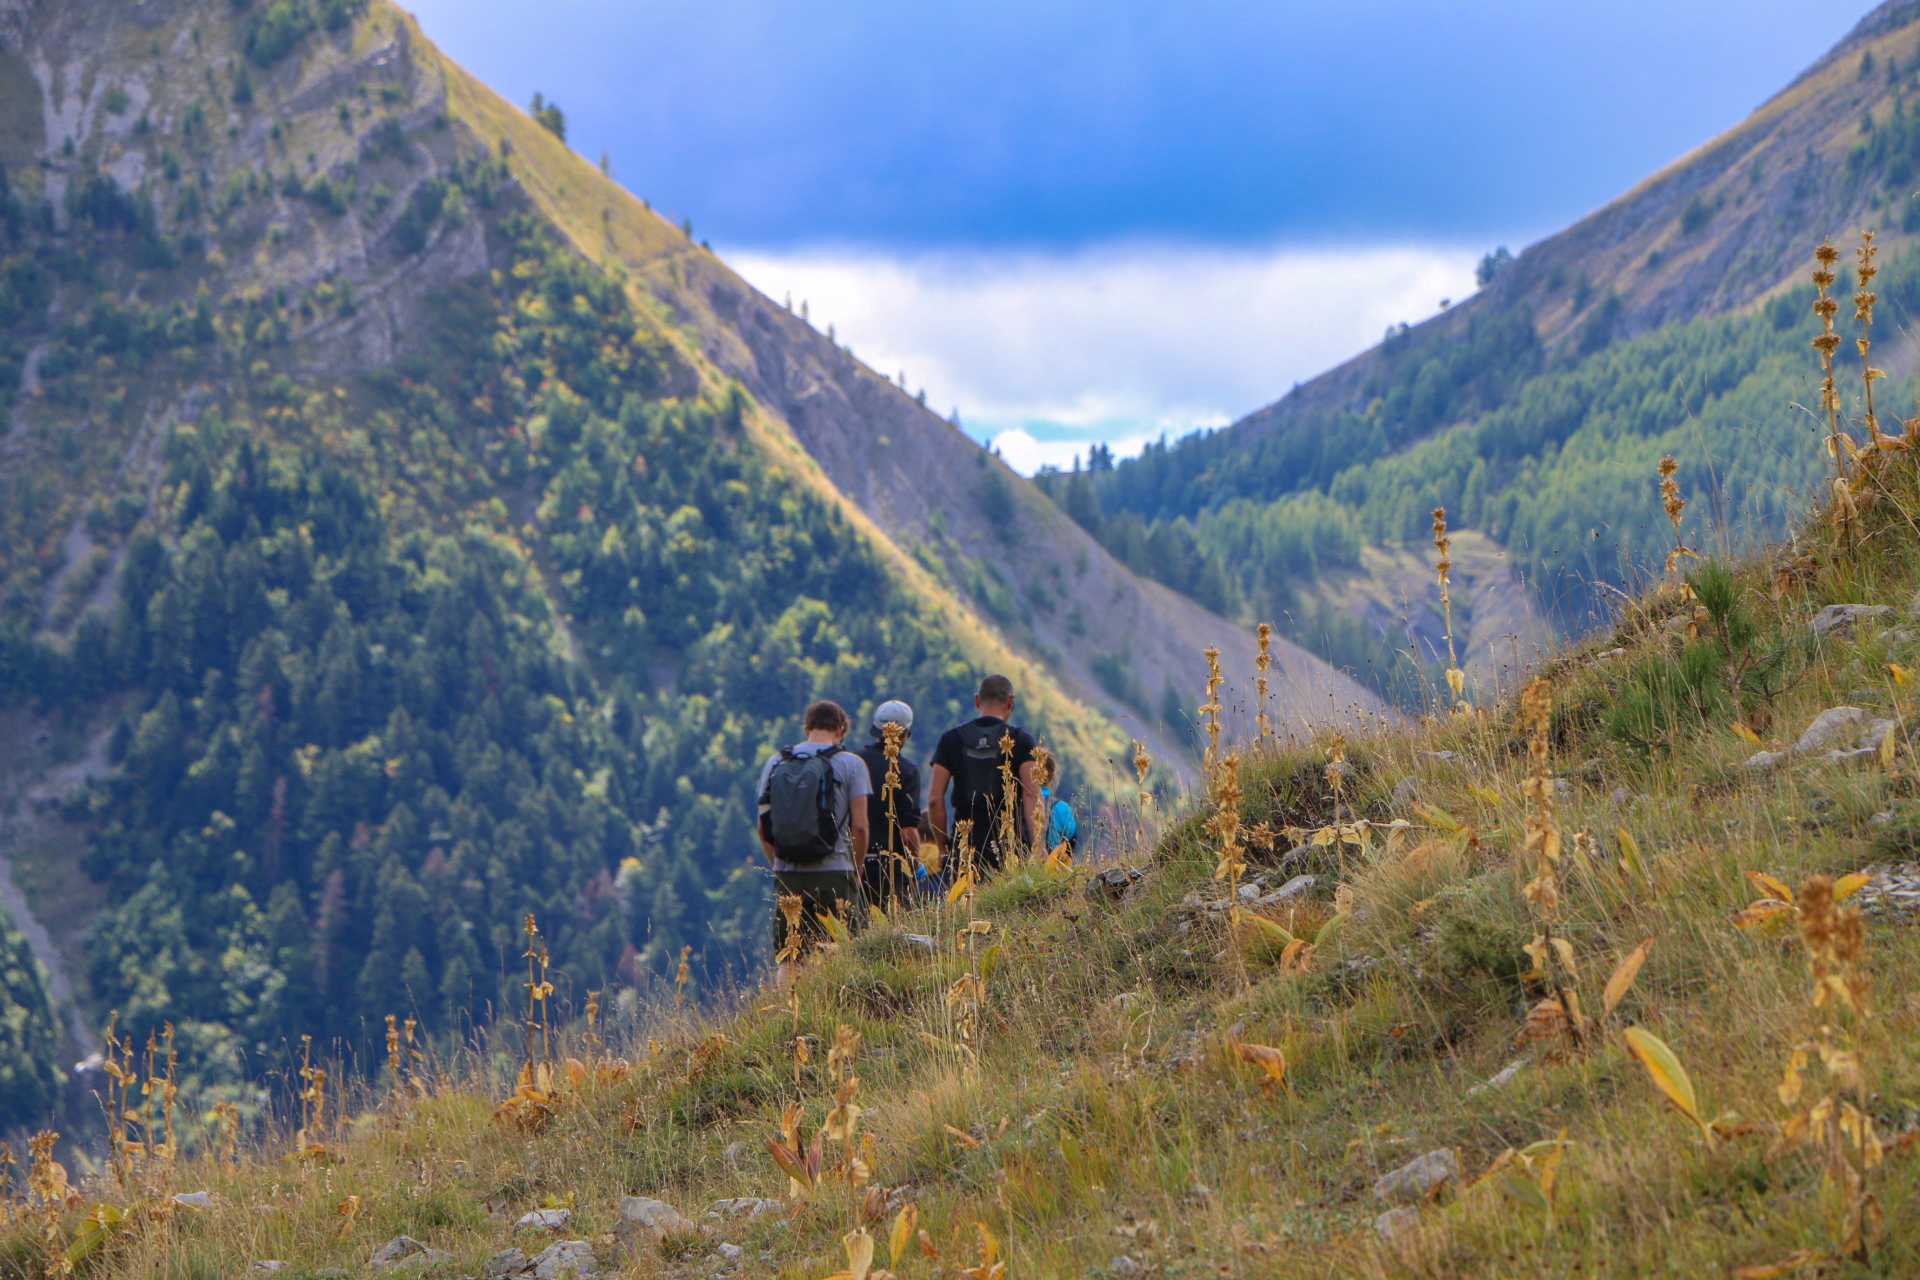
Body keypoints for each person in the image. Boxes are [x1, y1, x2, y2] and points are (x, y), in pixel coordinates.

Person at [753, 700, 870, 983]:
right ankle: (835, 1017)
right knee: (841, 950)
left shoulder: (776, 762)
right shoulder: (851, 764)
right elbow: (861, 826)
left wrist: (779, 865)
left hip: (789, 872)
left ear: (807, 728)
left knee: (790, 957)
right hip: (836, 872)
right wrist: (856, 869)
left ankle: (788, 1019)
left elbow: (762, 826)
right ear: (841, 729)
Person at [927, 674, 1041, 875]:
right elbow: (1031, 795)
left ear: (977, 700)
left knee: (964, 904)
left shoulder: (951, 739)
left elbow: (935, 799)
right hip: (1011, 847)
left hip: (965, 846)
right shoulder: (1021, 740)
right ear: (1010, 702)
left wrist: (943, 847)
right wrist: (1038, 846)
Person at [852, 700, 924, 910]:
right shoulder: (907, 770)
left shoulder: (852, 762)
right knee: (893, 938)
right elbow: (907, 832)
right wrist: (916, 868)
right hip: (889, 871)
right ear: (905, 734)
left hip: (850, 865)